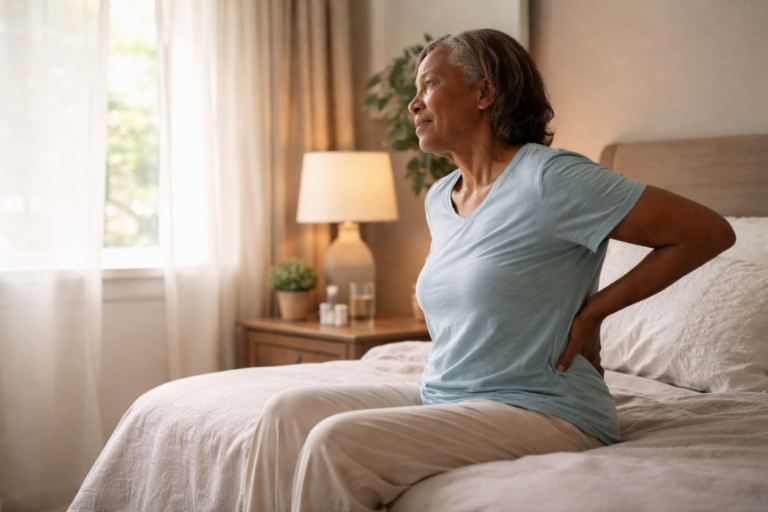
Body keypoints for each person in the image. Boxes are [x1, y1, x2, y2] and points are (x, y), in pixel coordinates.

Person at [244, 29, 735, 512]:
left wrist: (594, 312)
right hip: (445, 393)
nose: (414, 104)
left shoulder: (551, 177)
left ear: (484, 92)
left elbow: (707, 232)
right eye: (415, 91)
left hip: (544, 406)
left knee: (337, 442)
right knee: (287, 413)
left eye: (430, 84)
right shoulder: (441, 196)